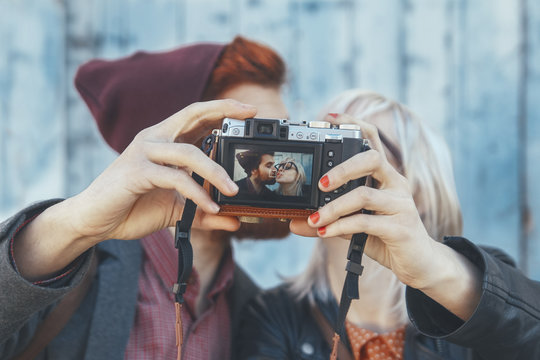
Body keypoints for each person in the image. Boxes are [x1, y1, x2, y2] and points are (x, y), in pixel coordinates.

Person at [0, 36, 290, 360]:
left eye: (286, 136)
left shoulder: (259, 312)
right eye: (253, 138)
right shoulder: (65, 276)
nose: (279, 160)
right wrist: (72, 229)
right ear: (175, 149)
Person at [236, 89, 540, 359]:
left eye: (359, 151)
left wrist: (439, 272)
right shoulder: (273, 315)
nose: (337, 169)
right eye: (324, 148)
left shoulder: (482, 280)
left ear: (419, 192)